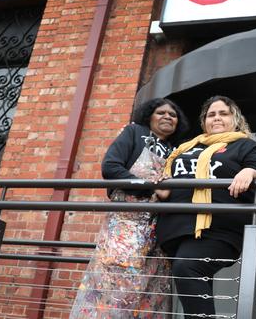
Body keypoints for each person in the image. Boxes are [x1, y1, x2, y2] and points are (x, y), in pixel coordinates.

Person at [70, 98, 188, 319]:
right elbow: (111, 167)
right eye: (161, 112)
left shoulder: (176, 151)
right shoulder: (134, 133)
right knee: (115, 284)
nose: (167, 117)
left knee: (150, 292)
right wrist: (151, 188)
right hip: (125, 225)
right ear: (149, 116)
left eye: (173, 115)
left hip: (157, 233)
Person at [155, 95, 256, 317]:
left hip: (218, 230)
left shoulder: (244, 146)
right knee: (195, 281)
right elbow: (167, 182)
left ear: (234, 119)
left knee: (187, 268)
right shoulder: (185, 148)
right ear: (204, 121)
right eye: (211, 114)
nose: (216, 118)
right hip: (176, 229)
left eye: (223, 113)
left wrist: (250, 171)